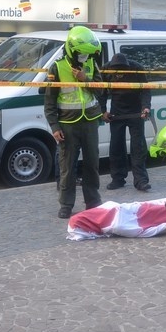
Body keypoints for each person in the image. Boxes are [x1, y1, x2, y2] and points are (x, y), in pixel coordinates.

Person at [44, 26, 104, 219]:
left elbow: (101, 90)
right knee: (68, 167)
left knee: (92, 164)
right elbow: (50, 102)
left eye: (87, 55)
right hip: (67, 124)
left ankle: (93, 202)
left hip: (90, 122)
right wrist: (54, 127)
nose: (84, 58)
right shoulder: (57, 67)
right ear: (72, 50)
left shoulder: (92, 63)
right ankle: (66, 204)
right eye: (81, 54)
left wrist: (85, 79)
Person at [99, 53, 152, 191]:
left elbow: (146, 90)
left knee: (138, 147)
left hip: (136, 111)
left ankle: (141, 180)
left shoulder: (137, 68)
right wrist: (103, 111)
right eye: (117, 72)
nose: (119, 74)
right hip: (117, 112)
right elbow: (102, 92)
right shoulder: (105, 70)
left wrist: (145, 107)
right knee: (116, 146)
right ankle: (118, 179)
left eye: (122, 71)